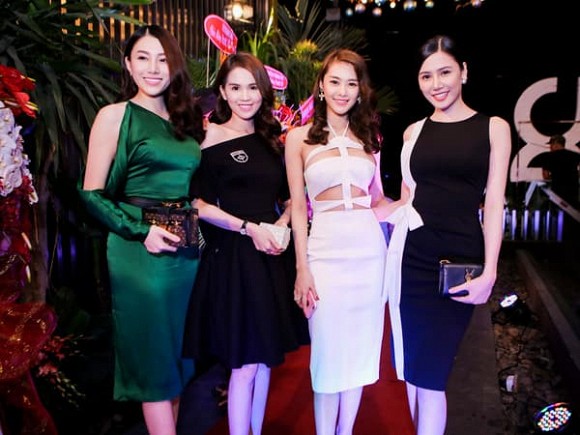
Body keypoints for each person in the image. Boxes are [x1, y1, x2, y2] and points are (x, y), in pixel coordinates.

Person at [77, 25, 205, 435]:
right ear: (128, 65)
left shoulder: (184, 121)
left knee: (178, 363)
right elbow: (91, 194)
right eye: (143, 58)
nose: (153, 68)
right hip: (140, 252)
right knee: (154, 365)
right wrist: (141, 231)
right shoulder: (115, 116)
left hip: (185, 251)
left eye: (163, 59)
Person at [384, 35, 511, 435]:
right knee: (413, 372)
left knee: (431, 376)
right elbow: (406, 200)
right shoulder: (413, 132)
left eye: (445, 72)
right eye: (426, 76)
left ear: (464, 72)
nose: (436, 84)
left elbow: (494, 203)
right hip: (411, 261)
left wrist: (490, 271)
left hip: (459, 265)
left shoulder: (494, 128)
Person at [182, 51, 308, 435]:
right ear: (222, 91)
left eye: (252, 87)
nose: (245, 96)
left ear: (263, 91)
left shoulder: (272, 140)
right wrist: (248, 228)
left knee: (265, 358)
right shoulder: (207, 137)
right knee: (245, 363)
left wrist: (282, 224)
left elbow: (292, 197)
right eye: (235, 88)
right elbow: (197, 204)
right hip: (234, 257)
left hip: (272, 255)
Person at [285, 49, 391, 435]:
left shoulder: (370, 138)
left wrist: (414, 200)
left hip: (368, 253)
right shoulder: (298, 138)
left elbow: (378, 200)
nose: (343, 91)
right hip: (324, 253)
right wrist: (302, 268)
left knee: (360, 355)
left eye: (351, 83)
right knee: (328, 357)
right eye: (335, 82)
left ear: (361, 90)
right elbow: (299, 208)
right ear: (321, 86)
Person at [541, 134, 580, 208]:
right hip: (573, 190)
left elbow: (545, 175)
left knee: (557, 212)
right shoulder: (574, 155)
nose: (550, 147)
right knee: (573, 212)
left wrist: (552, 177)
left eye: (551, 144)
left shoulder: (548, 157)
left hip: (557, 191)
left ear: (556, 144)